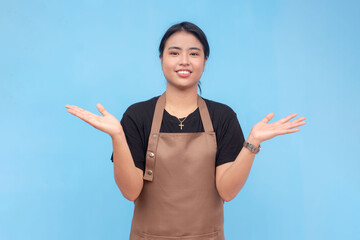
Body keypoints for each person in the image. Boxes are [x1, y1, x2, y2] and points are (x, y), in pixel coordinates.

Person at [65, 21, 306, 240]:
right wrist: (117, 136)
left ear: (205, 61)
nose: (184, 61)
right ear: (161, 60)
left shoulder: (222, 117)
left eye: (194, 53)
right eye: (174, 53)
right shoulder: (138, 116)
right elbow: (130, 191)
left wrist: (252, 143)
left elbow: (227, 191)